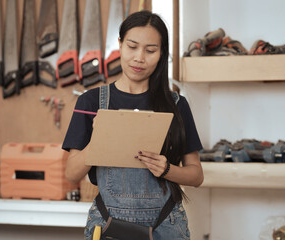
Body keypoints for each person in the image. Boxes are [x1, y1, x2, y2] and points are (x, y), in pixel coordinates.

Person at [62, 10, 204, 240]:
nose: (139, 57)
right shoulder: (90, 101)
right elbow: (71, 173)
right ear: (119, 44)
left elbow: (196, 175)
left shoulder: (177, 104)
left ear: (161, 54)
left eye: (150, 50)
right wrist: (100, 138)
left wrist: (167, 169)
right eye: (132, 46)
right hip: (108, 224)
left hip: (166, 225)